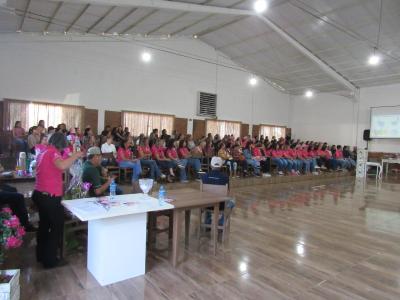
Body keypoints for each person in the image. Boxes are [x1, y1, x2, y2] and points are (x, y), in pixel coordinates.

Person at [32, 132, 83, 268]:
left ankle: (41, 255)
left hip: (39, 193)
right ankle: (50, 261)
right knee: (56, 227)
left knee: (44, 225)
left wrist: (69, 156)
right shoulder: (53, 153)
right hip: (49, 197)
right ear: (60, 144)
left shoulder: (43, 152)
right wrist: (75, 155)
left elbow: (59, 164)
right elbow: (61, 166)